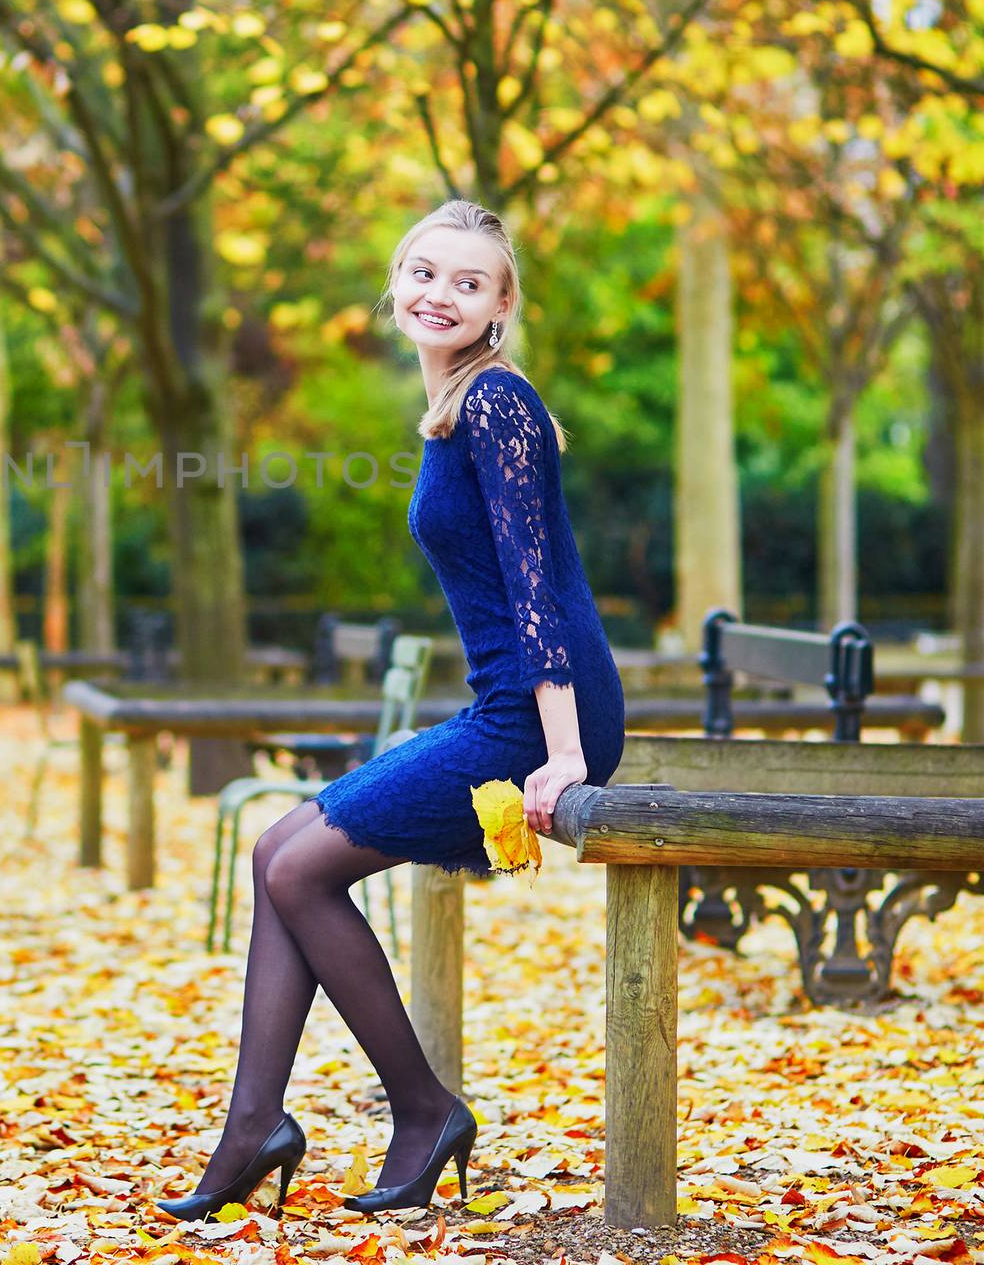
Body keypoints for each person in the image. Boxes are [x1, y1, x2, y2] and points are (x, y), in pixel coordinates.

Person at [156, 199, 627, 1221]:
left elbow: (535, 588)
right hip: (507, 701)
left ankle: (418, 1111)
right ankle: (257, 1126)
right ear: (394, 282)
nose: (438, 293)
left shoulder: (496, 404)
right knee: (277, 849)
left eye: (467, 281)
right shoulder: (453, 407)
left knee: (294, 862)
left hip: (534, 716)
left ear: (502, 304)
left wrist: (564, 754)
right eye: (422, 272)